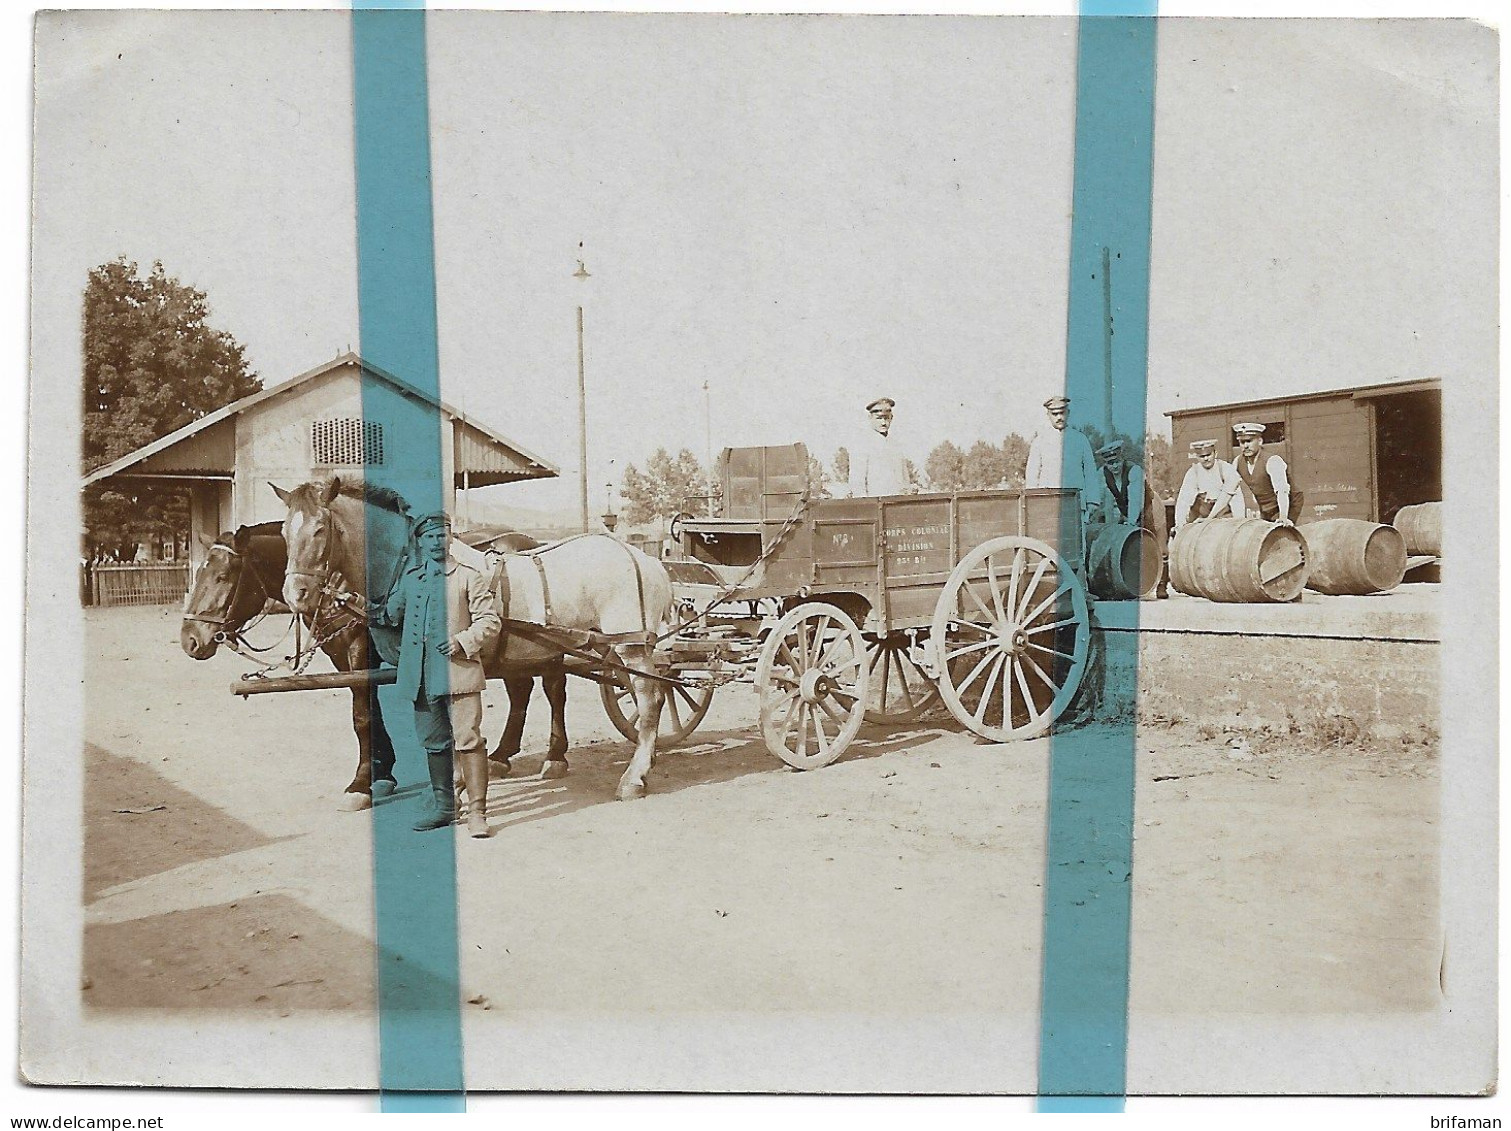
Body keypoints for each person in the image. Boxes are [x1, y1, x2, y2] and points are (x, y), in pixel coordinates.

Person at [378, 511, 501, 836]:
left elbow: (490, 621)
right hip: (421, 678)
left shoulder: (469, 576)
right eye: (429, 536)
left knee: (468, 740)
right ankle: (446, 807)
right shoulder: (412, 577)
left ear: (450, 538)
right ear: (419, 541)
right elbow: (389, 615)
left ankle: (478, 813)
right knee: (434, 743)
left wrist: (463, 641)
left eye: (441, 535)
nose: (436, 541)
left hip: (458, 673)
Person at [1025, 395, 1102, 520]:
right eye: (1054, 414)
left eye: (1062, 413)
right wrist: (1032, 501)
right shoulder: (1039, 442)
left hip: (1076, 503)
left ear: (1068, 412)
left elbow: (1090, 472)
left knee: (1076, 537)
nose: (1059, 417)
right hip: (1047, 503)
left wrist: (1092, 501)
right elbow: (1032, 475)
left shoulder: (1080, 439)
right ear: (1048, 415)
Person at [1231, 422, 1303, 526]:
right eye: (1242, 442)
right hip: (1265, 509)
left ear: (1260, 441)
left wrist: (1283, 517)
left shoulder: (1272, 461)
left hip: (1287, 504)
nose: (1245, 446)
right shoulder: (1237, 462)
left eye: (1249, 441)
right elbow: (1230, 490)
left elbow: (1281, 491)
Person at [846, 395, 912, 497]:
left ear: (891, 418)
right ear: (870, 418)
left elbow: (905, 479)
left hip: (898, 506)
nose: (883, 422)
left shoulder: (896, 445)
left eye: (886, 418)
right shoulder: (862, 445)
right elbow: (857, 484)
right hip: (875, 506)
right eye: (879, 418)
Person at [1174, 439, 1244, 529]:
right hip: (1203, 519)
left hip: (1225, 518)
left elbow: (1236, 501)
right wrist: (1179, 524)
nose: (1206, 458)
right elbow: (1184, 501)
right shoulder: (1193, 473)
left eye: (1208, 455)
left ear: (1215, 453)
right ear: (1197, 457)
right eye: (1202, 456)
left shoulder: (1226, 469)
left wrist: (1239, 523)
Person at [1097, 439, 1147, 526]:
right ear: (1105, 463)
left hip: (1147, 514)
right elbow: (1097, 497)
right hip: (1129, 516)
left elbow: (1135, 500)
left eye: (1117, 461)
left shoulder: (1134, 470)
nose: (1115, 466)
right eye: (1111, 463)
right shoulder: (1102, 473)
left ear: (1122, 459)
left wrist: (1131, 522)